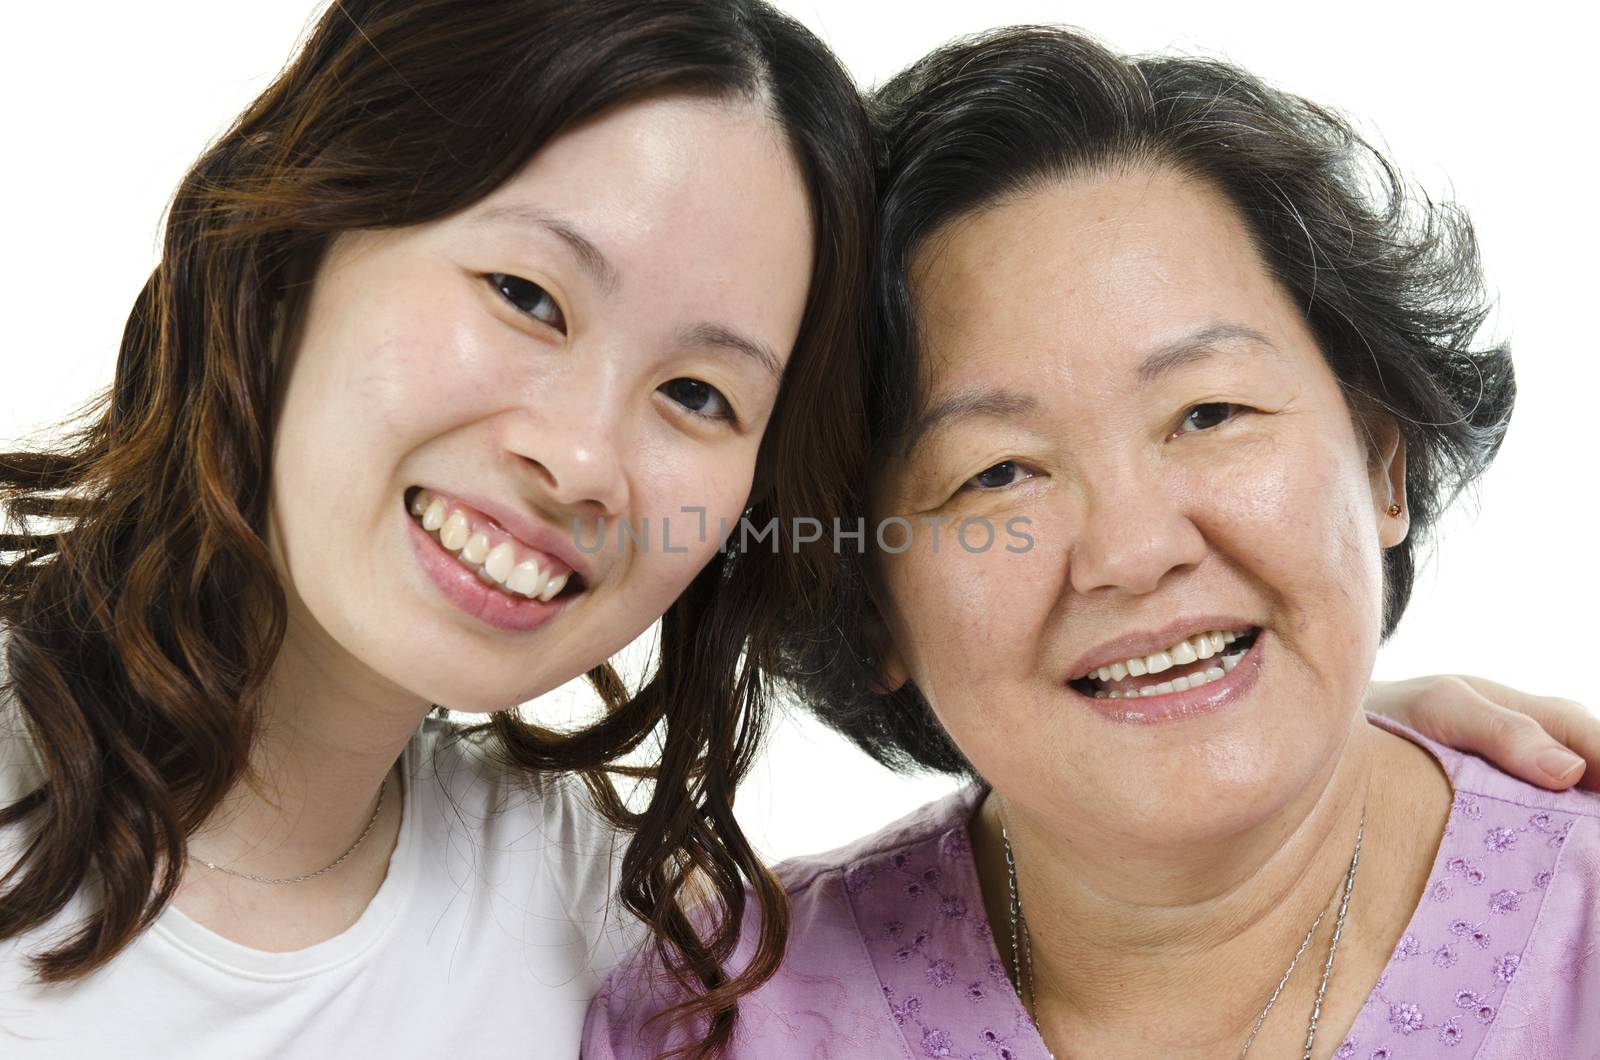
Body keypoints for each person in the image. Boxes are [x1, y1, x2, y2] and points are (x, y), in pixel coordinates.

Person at [586, 25, 1600, 1059]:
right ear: (868, 600)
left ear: (1381, 461)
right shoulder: (712, 1020)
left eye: (1208, 413)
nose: (1132, 550)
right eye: (997, 473)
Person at [0, 2, 875, 1056]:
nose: (583, 460)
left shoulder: (627, 948)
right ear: (291, 250)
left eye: (697, 394)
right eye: (526, 295)